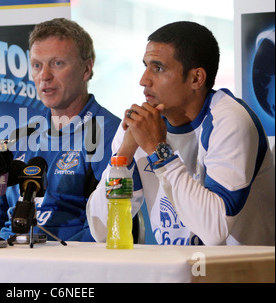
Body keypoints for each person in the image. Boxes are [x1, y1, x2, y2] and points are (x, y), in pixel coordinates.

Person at [87, 21, 275, 246]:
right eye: (145, 66)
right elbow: (102, 229)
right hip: (179, 274)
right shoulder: (140, 124)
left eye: (158, 68)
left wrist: (159, 152)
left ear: (196, 78)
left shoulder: (230, 120)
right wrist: (124, 156)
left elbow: (214, 230)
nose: (143, 80)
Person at [0, 18, 121, 242]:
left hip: (67, 264)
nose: (44, 76)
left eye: (57, 63)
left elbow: (103, 229)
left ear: (86, 69)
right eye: (37, 65)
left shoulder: (108, 133)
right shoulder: (17, 137)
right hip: (7, 259)